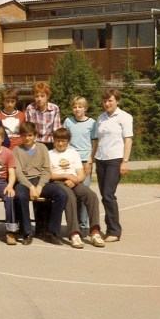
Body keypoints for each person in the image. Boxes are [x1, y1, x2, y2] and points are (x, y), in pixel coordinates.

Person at [48, 128, 105, 249]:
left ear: (68, 141)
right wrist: (66, 176)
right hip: (58, 182)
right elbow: (49, 175)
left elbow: (81, 174)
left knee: (91, 195)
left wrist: (75, 180)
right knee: (69, 197)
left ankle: (94, 231)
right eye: (57, 141)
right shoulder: (49, 154)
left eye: (63, 141)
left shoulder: (73, 153)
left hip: (75, 181)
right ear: (54, 141)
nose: (60, 143)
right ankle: (74, 233)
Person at [13, 121, 67, 245]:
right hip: (25, 182)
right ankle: (27, 231)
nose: (27, 138)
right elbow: (19, 173)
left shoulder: (42, 147)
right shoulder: (16, 150)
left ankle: (52, 232)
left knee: (61, 194)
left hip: (40, 180)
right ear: (21, 136)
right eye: (24, 135)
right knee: (20, 196)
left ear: (35, 136)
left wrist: (40, 186)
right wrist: (31, 187)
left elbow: (46, 170)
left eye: (30, 135)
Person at [91, 89, 133, 243]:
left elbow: (128, 140)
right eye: (105, 101)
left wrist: (125, 162)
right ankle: (109, 227)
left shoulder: (125, 117)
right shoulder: (100, 118)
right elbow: (97, 141)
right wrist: (91, 159)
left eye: (110, 100)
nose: (107, 103)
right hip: (101, 159)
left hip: (115, 160)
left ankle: (114, 231)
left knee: (109, 194)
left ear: (117, 101)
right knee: (105, 195)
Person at [63, 96, 97, 234]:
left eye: (80, 106)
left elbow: (94, 143)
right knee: (72, 193)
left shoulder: (92, 123)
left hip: (84, 162)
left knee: (84, 193)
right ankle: (74, 225)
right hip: (71, 161)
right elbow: (64, 140)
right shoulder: (68, 121)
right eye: (75, 107)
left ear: (85, 108)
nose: (77, 109)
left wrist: (90, 161)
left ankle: (83, 225)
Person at [24, 81, 61, 150]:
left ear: (47, 96)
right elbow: (28, 129)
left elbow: (56, 129)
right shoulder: (30, 108)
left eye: (42, 96)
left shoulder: (54, 108)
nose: (39, 99)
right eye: (36, 96)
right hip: (35, 142)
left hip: (50, 142)